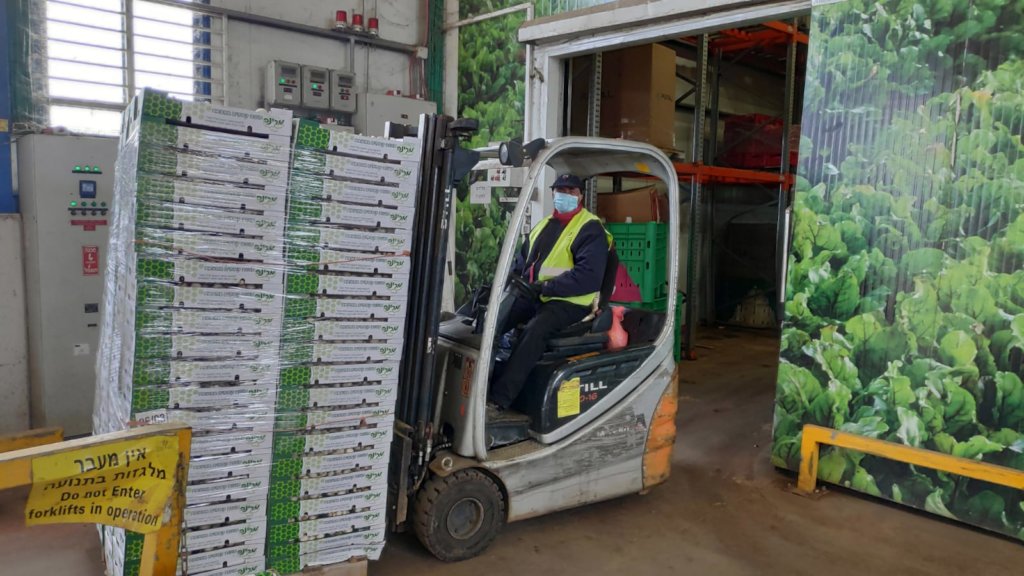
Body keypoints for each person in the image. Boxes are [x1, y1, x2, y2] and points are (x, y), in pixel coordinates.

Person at [488, 173, 611, 415]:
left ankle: (499, 399)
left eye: (571, 191)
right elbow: (522, 263)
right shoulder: (543, 225)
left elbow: (588, 277)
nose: (565, 195)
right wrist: (505, 287)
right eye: (560, 190)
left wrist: (545, 288)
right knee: (492, 318)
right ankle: (477, 383)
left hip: (571, 301)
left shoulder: (590, 228)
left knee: (536, 330)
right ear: (553, 193)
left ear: (580, 196)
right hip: (537, 295)